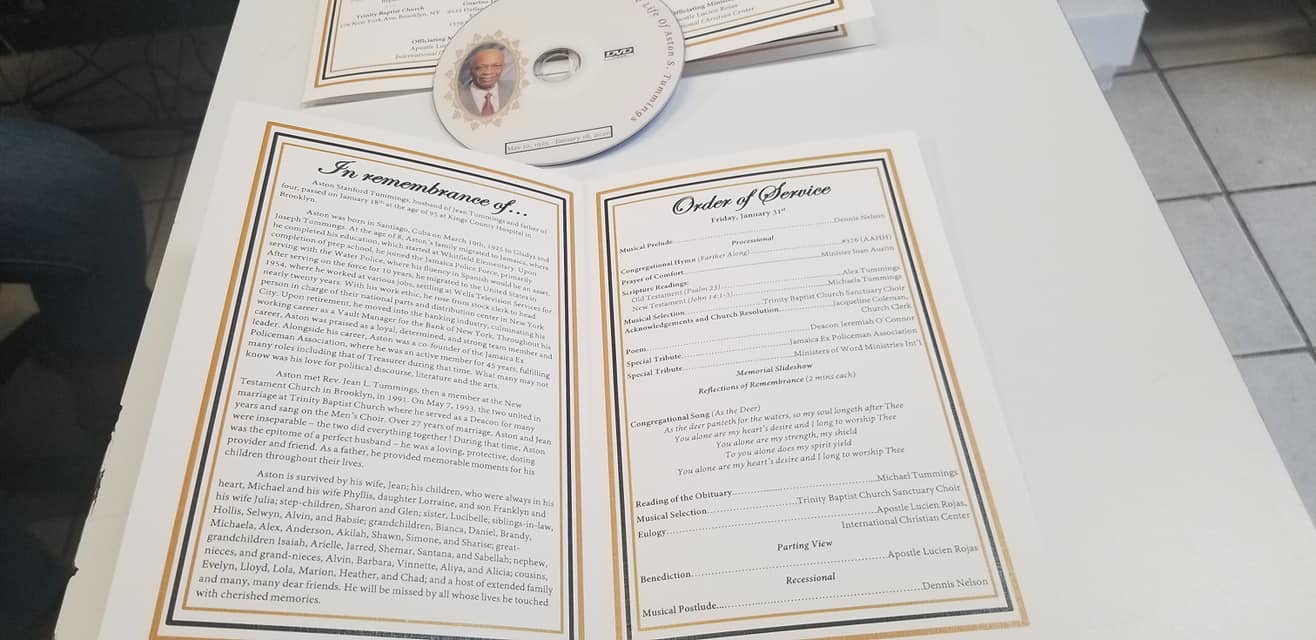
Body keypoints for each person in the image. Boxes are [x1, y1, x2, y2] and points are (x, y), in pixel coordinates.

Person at [459, 43, 512, 117]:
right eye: (481, 67)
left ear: (503, 67)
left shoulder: (515, 88)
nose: (488, 72)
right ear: (471, 70)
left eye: (496, 66)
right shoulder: (457, 96)